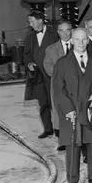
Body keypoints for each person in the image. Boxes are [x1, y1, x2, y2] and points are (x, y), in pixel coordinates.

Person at [52, 28, 92, 183]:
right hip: (72, 109)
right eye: (77, 39)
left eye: (84, 39)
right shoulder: (62, 63)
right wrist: (67, 108)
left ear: (88, 41)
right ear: (72, 41)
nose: (81, 42)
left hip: (91, 108)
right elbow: (58, 89)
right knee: (72, 145)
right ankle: (72, 179)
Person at [23, 10, 58, 139]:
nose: (30, 24)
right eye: (29, 22)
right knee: (43, 103)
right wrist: (29, 63)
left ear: (40, 20)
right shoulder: (29, 37)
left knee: (55, 103)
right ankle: (48, 129)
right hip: (37, 76)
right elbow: (26, 54)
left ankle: (59, 129)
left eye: (32, 21)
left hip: (51, 75)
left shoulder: (54, 34)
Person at [43, 19, 73, 151]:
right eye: (62, 30)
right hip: (59, 85)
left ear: (72, 31)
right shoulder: (51, 49)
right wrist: (63, 76)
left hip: (77, 85)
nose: (65, 34)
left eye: (68, 30)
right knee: (60, 111)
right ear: (58, 32)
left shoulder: (79, 45)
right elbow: (48, 67)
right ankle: (63, 140)